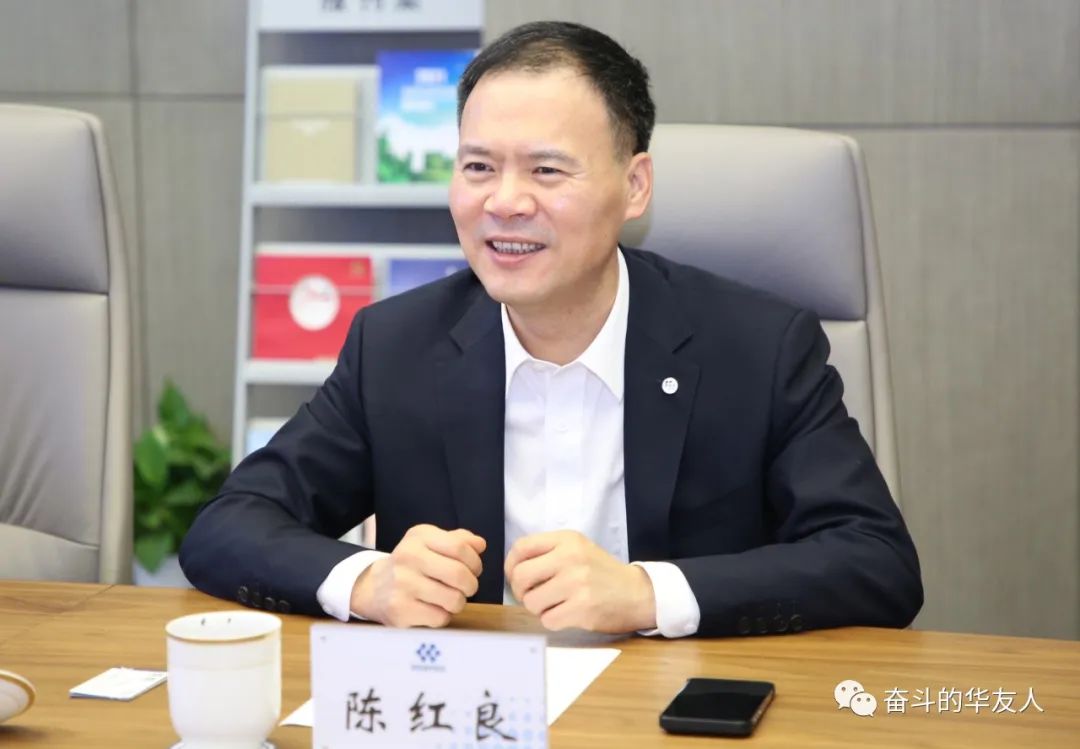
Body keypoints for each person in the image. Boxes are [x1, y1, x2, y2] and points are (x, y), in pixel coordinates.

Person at [180, 21, 922, 638]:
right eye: (478, 167)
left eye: (546, 171)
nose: (504, 202)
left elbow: (876, 560)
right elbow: (230, 525)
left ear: (635, 186)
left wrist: (648, 595)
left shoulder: (757, 347)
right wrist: (369, 582)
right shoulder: (396, 347)